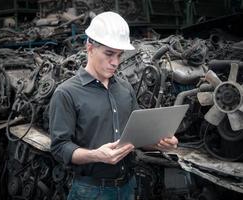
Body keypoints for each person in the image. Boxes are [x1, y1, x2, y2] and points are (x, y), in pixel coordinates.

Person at [49, 11, 178, 200]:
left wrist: (160, 143)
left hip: (128, 187)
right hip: (90, 191)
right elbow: (60, 147)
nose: (115, 62)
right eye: (109, 53)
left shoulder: (125, 88)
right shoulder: (66, 93)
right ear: (90, 47)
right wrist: (96, 155)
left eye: (119, 55)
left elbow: (137, 137)